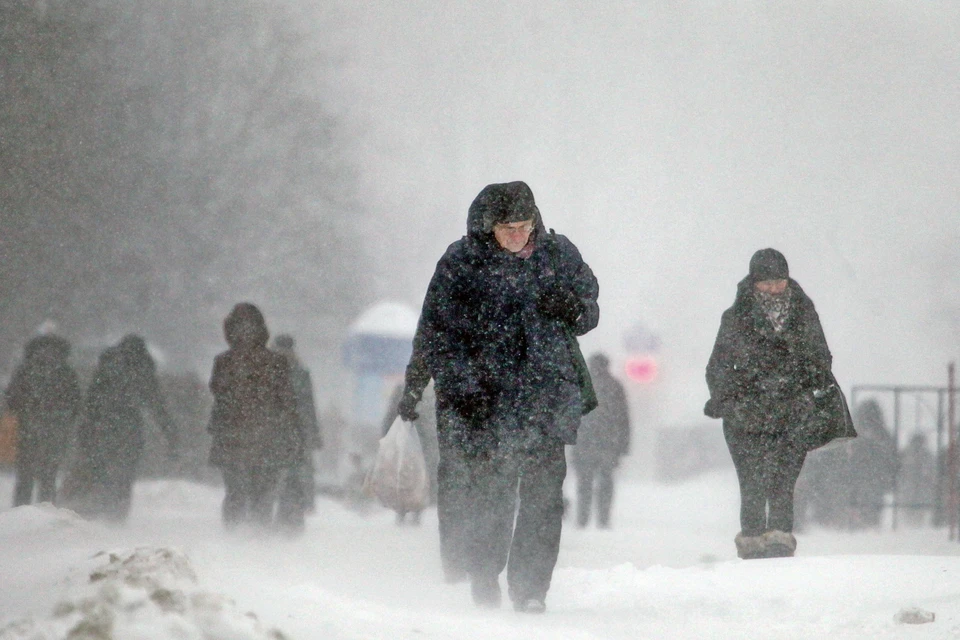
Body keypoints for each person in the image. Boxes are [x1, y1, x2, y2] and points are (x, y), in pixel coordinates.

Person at [412, 181, 599, 613]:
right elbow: (436, 335)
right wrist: (463, 387)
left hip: (547, 398)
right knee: (490, 494)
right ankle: (483, 573)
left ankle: (531, 589)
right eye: (507, 229)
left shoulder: (559, 254)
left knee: (543, 500)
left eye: (524, 226)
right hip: (487, 402)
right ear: (488, 227)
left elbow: (589, 310)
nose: (518, 236)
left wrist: (570, 306)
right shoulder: (461, 264)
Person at [704, 248, 854, 559]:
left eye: (779, 281)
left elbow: (821, 356)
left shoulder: (804, 312)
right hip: (746, 415)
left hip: (792, 412)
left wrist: (807, 382)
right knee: (752, 481)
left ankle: (780, 540)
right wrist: (727, 399)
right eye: (767, 283)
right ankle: (754, 539)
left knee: (784, 480)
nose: (774, 288)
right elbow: (717, 365)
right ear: (754, 282)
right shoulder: (734, 318)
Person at [207, 304, 303, 531]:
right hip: (267, 438)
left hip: (232, 438)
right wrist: (293, 435)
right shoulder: (276, 362)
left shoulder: (223, 362)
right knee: (262, 494)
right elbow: (287, 402)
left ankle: (234, 539)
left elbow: (219, 395)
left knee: (235, 493)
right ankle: (259, 543)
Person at [79, 334, 178, 522]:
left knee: (101, 472)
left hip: (103, 427)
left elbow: (91, 401)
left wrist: (87, 429)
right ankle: (117, 516)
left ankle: (100, 512)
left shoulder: (106, 367)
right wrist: (170, 434)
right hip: (130, 429)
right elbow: (157, 404)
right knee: (124, 476)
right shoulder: (143, 369)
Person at [5, 335, 82, 506]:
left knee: (25, 474)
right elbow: (75, 401)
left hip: (28, 428)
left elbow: (11, 398)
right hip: (54, 430)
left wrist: (25, 411)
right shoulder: (65, 371)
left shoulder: (25, 369)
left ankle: (21, 511)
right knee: (48, 475)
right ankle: (45, 510)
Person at [572, 352, 630, 528]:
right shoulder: (615, 386)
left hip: (584, 443)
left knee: (584, 484)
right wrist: (623, 445)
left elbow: (572, 415)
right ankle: (603, 519)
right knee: (605, 483)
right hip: (608, 444)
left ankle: (583, 519)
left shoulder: (582, 385)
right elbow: (623, 418)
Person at [272, 334, 322, 533]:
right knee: (295, 477)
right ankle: (293, 519)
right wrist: (313, 435)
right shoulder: (301, 372)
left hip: (275, 433)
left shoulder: (268, 371)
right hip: (297, 434)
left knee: (275, 477)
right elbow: (309, 406)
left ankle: (276, 520)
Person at [382, 377, 439, 526]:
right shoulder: (431, 392)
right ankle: (415, 509)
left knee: (405, 476)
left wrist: (386, 436)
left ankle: (403, 509)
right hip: (421, 443)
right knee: (418, 477)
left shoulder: (403, 389)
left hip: (407, 441)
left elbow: (391, 415)